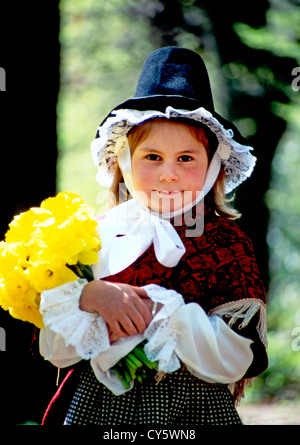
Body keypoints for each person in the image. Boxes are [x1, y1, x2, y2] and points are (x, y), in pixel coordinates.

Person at [39, 47, 268, 425]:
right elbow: (55, 351)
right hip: (99, 408)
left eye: (186, 158)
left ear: (212, 167)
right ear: (125, 162)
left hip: (192, 410)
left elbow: (240, 358)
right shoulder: (92, 236)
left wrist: (166, 315)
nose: (168, 174)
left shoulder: (227, 244)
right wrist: (87, 297)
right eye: (152, 157)